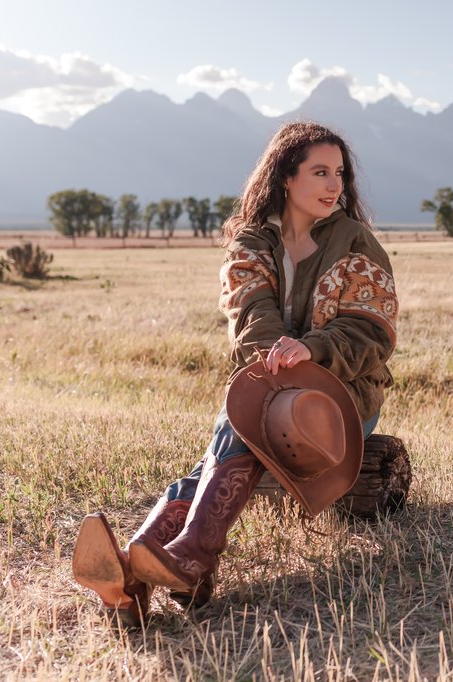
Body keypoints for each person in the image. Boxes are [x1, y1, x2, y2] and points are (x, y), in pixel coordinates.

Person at [71, 121, 398, 626]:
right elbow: (251, 320)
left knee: (251, 416)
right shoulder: (250, 242)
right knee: (251, 414)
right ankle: (157, 569)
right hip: (268, 389)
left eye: (339, 173)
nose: (335, 185)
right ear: (286, 177)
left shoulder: (356, 242)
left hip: (342, 397)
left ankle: (153, 562)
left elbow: (370, 332)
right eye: (319, 172)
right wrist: (278, 361)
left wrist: (308, 352)